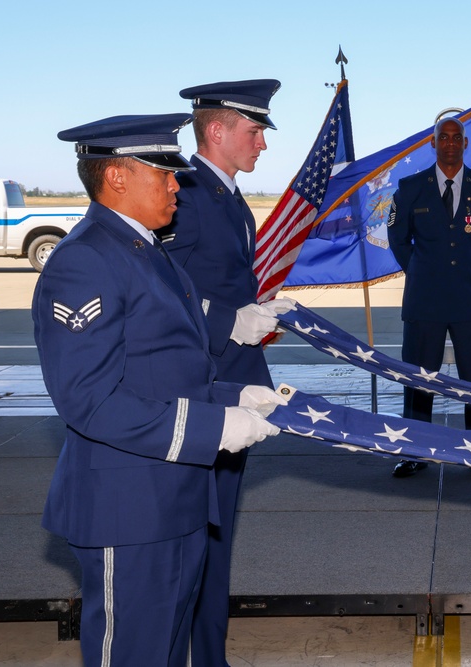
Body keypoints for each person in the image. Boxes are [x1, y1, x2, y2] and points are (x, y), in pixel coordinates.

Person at [35, 114, 283, 666]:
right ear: (117, 178)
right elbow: (92, 401)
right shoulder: (85, 262)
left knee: (169, 651)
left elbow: (166, 372)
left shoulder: (147, 252)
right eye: (163, 171)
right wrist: (216, 426)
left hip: (173, 500)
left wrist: (231, 398)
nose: (178, 183)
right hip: (129, 509)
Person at [157, 79, 292, 667]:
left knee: (216, 539)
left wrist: (255, 321)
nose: (262, 142)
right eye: (254, 130)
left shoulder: (229, 198)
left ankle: (210, 655)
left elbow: (223, 284)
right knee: (188, 542)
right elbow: (156, 290)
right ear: (217, 131)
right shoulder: (183, 195)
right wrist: (228, 322)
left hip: (236, 385)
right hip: (198, 391)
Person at [386, 115, 471, 479]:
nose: (451, 143)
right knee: (420, 379)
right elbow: (397, 239)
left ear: (465, 144)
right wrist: (425, 272)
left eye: (457, 138)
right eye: (444, 137)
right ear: (433, 143)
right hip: (425, 301)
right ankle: (415, 451)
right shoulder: (410, 188)